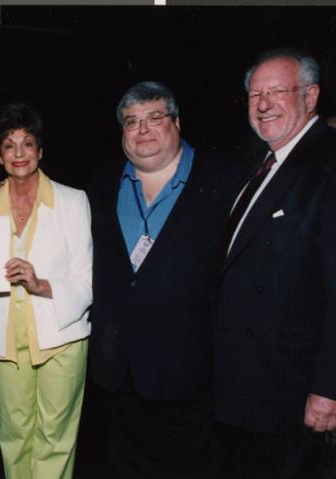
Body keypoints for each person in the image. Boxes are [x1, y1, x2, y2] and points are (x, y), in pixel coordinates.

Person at [88, 81, 240, 478]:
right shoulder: (98, 186)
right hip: (117, 376)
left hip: (193, 379)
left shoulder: (228, 184)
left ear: (177, 122)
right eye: (131, 122)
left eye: (154, 118)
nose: (142, 131)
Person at [0, 102, 92, 478]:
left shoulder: (73, 202)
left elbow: (87, 281)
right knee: (14, 436)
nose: (19, 153)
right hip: (6, 342)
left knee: (54, 438)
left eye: (27, 143)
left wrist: (41, 284)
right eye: (10, 145)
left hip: (62, 337)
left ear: (40, 150)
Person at [214, 48, 336, 478]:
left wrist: (328, 388)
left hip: (292, 389)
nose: (263, 104)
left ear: (311, 96)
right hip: (245, 387)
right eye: (254, 94)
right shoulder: (259, 162)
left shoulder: (327, 163)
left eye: (277, 92)